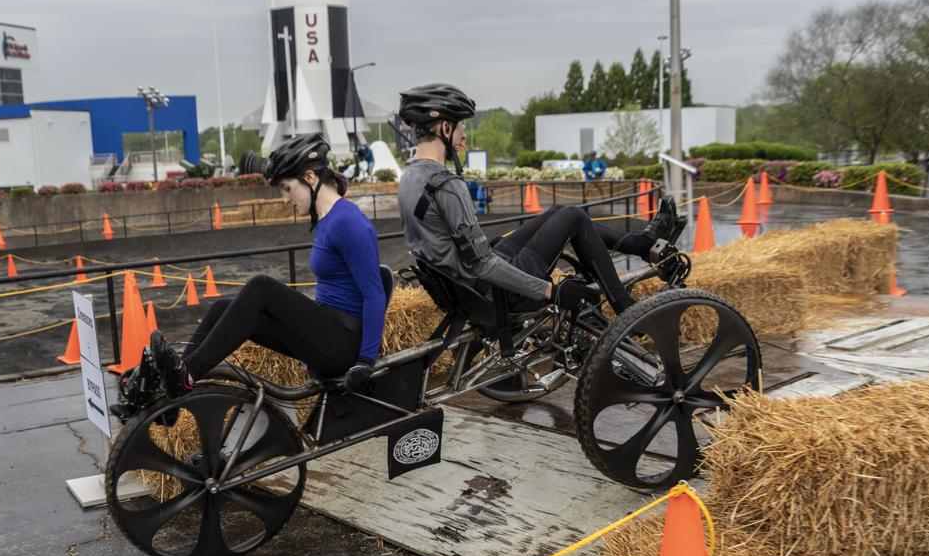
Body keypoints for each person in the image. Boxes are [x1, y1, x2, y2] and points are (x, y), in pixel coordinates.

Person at [396, 83, 680, 314]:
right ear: (445, 128)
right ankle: (626, 308)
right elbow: (483, 264)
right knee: (573, 216)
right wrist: (551, 291)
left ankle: (642, 243)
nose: (464, 134)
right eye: (461, 126)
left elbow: (459, 251)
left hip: (466, 288)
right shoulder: (447, 186)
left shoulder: (409, 179)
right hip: (494, 291)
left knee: (558, 210)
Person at [148, 132, 388, 398]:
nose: (285, 199)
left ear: (310, 177)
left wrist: (365, 361)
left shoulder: (349, 223)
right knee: (220, 308)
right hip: (327, 330)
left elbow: (374, 294)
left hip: (343, 347)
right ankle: (170, 390)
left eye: (287, 188)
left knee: (261, 288)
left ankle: (188, 374)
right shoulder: (326, 218)